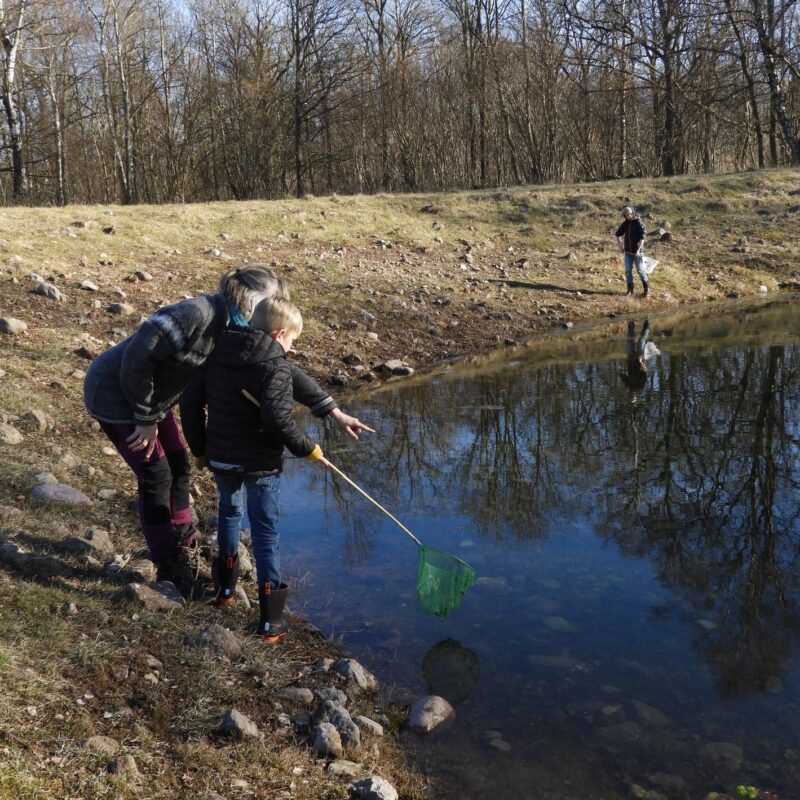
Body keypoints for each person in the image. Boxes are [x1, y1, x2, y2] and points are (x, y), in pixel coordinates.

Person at [83, 265, 372, 593]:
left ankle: (186, 545)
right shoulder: (196, 314)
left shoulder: (242, 332)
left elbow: (281, 370)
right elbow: (136, 359)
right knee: (156, 475)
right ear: (250, 298)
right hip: (115, 395)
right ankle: (169, 564)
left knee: (179, 465)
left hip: (151, 400)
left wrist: (333, 411)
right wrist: (146, 419)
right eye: (270, 303)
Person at [179, 297, 329, 643]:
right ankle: (270, 622)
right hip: (260, 464)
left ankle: (225, 593)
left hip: (221, 458)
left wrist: (200, 450)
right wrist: (309, 449)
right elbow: (276, 419)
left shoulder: (216, 353)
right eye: (293, 340)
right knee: (265, 535)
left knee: (229, 514)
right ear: (278, 334)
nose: (292, 348)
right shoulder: (274, 365)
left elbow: (189, 403)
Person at [616, 206, 649, 298]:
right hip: (628, 252)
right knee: (628, 271)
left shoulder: (638, 222)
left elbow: (642, 238)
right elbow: (617, 234)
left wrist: (638, 250)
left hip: (638, 252)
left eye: (630, 214)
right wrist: (620, 247)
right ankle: (630, 290)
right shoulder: (625, 224)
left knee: (640, 270)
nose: (629, 216)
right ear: (624, 216)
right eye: (627, 215)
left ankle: (647, 291)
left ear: (633, 213)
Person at [619, 319, 650, 403]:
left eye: (630, 396)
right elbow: (646, 373)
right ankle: (646, 324)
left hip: (631, 360)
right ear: (636, 396)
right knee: (641, 342)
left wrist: (622, 368)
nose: (631, 395)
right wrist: (641, 363)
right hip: (640, 360)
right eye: (632, 397)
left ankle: (631, 323)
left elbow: (621, 374)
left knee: (629, 342)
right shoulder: (641, 385)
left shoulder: (628, 385)